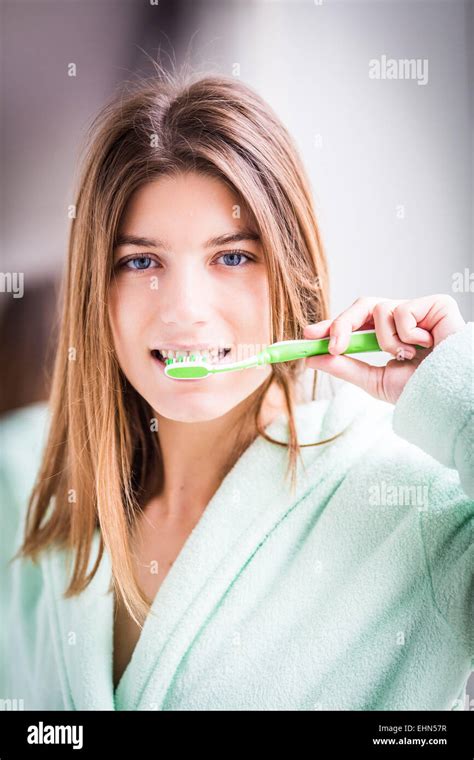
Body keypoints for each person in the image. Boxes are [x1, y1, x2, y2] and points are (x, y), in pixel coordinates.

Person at [0, 68, 472, 711]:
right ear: (96, 297)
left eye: (232, 256)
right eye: (141, 262)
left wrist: (459, 394)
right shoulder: (50, 527)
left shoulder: (411, 510)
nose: (186, 310)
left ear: (291, 273)